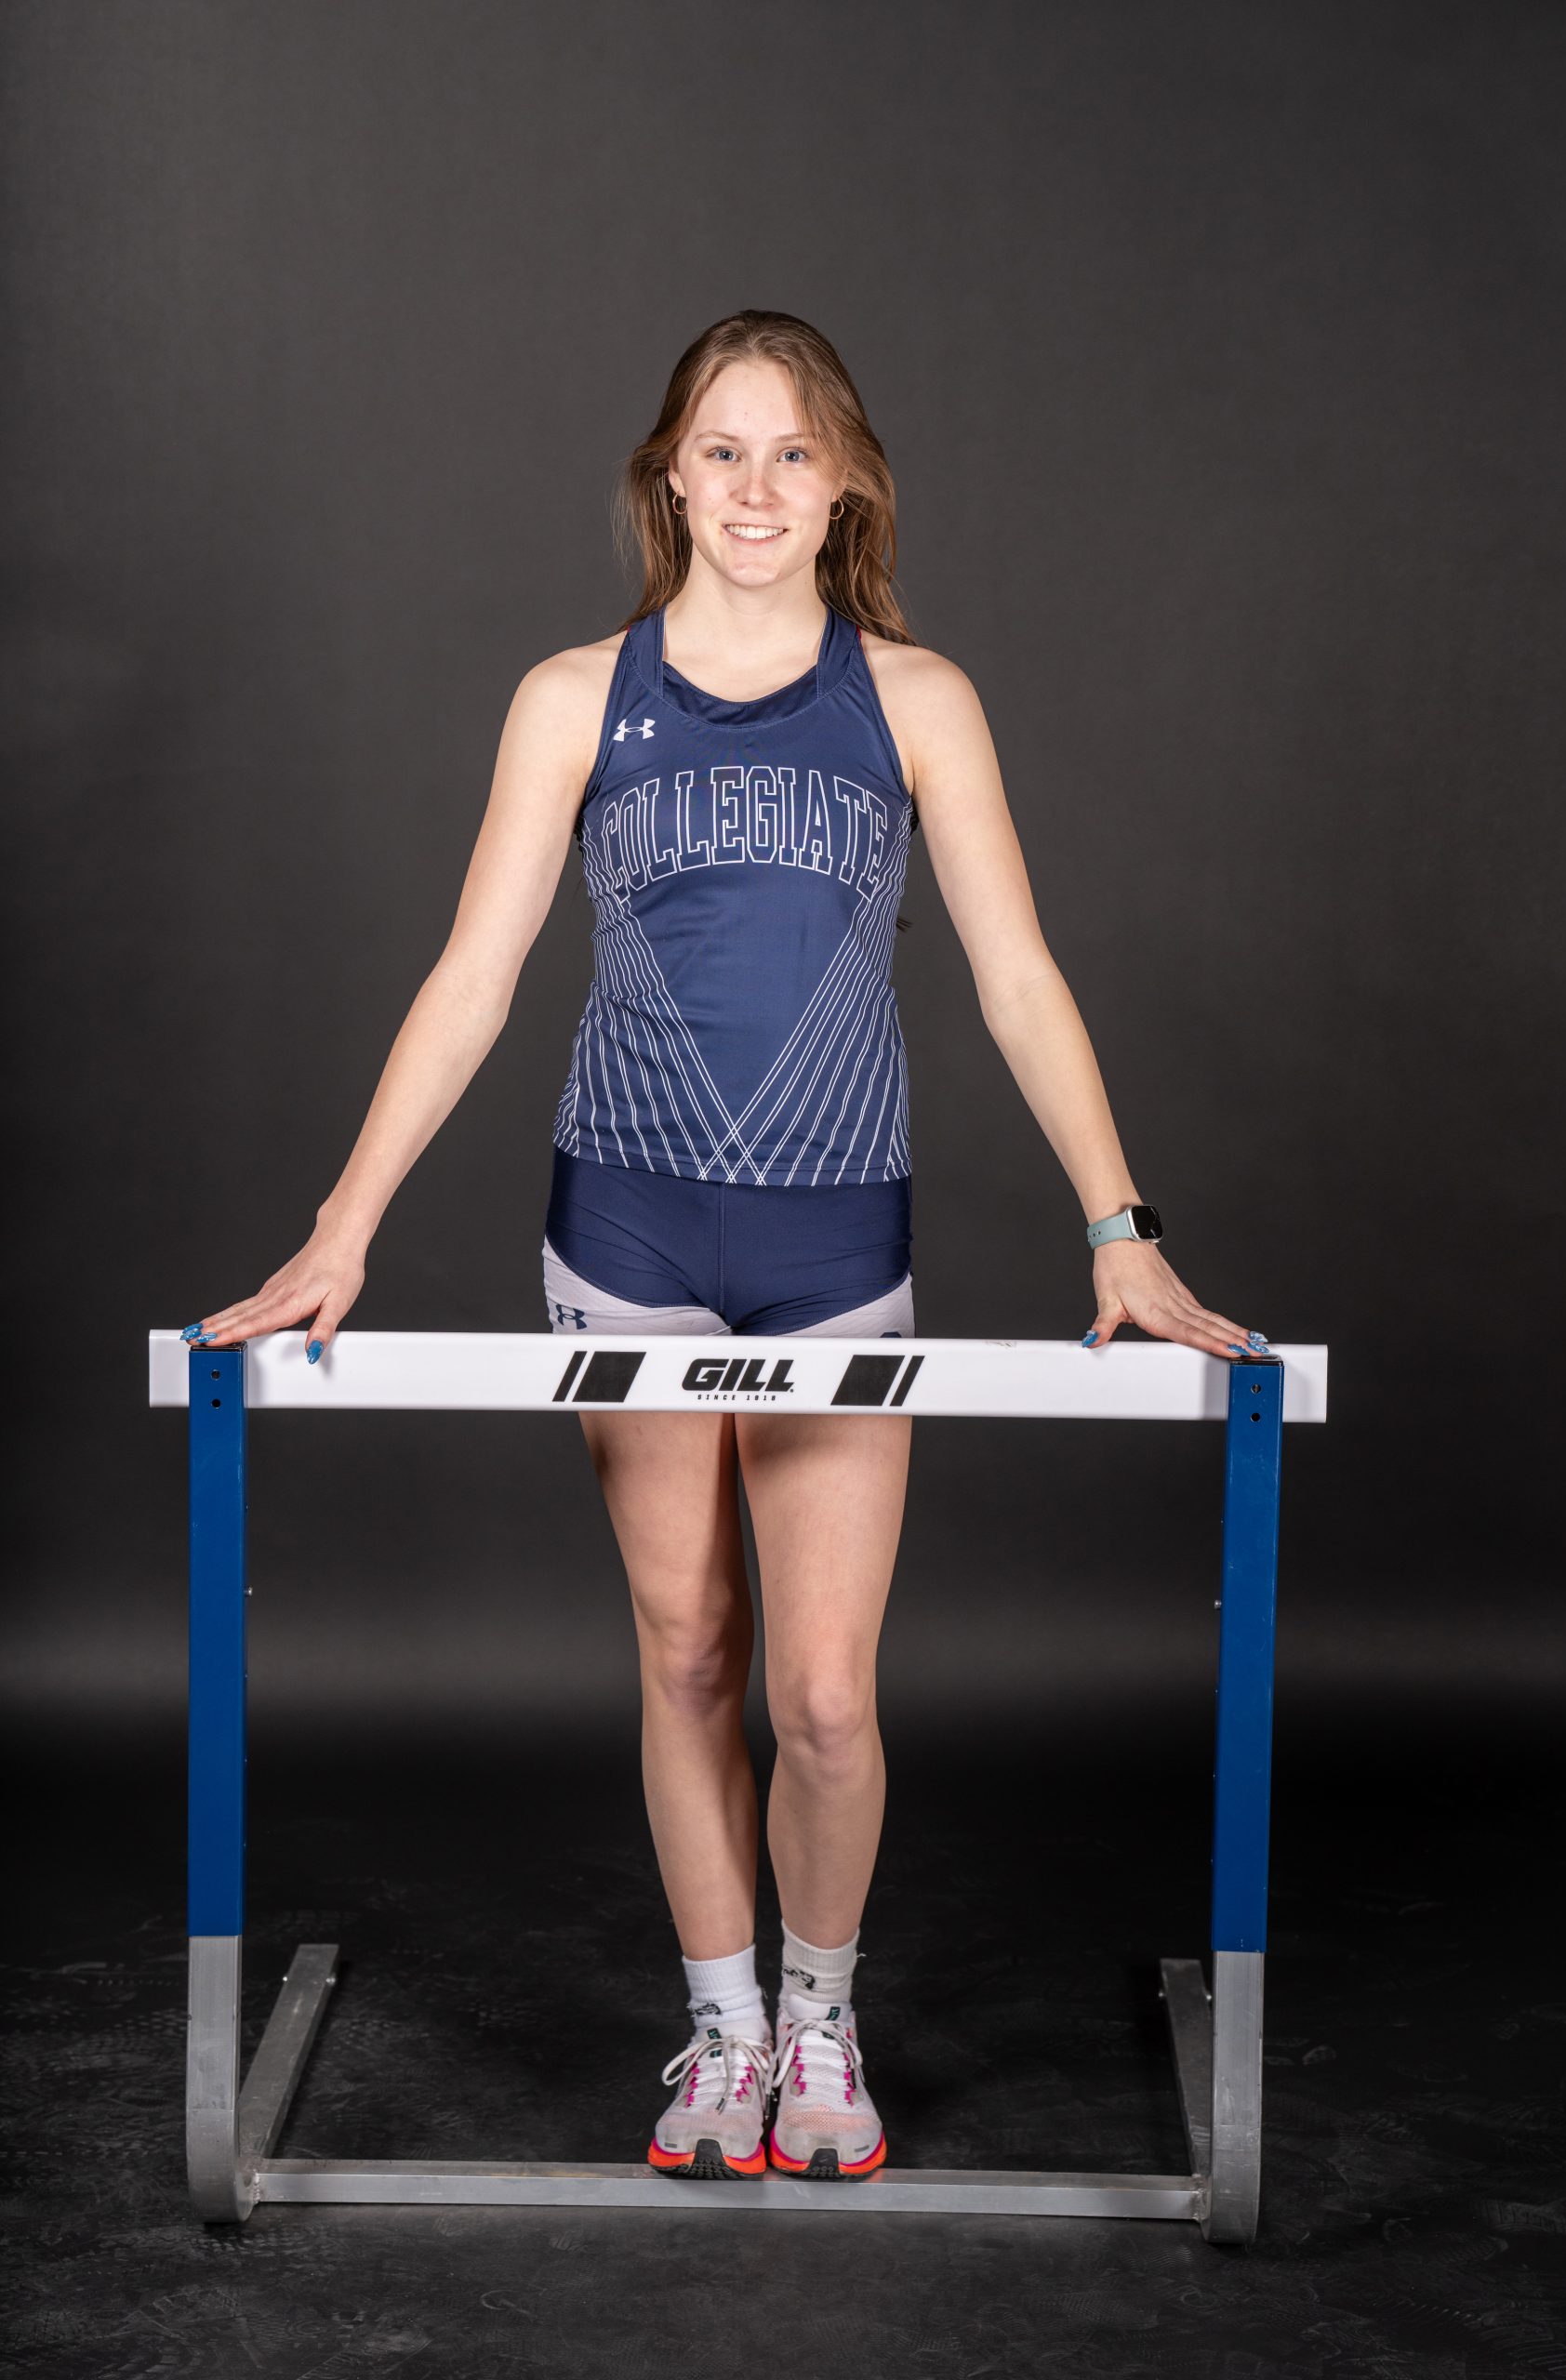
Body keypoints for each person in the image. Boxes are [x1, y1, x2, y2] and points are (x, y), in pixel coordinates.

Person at [181, 309, 1267, 2183]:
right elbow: (472, 979)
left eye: (792, 452)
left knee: (824, 1694)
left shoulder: (913, 700)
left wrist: (1120, 1229)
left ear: (842, 487)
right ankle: (724, 2032)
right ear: (667, 477)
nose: (755, 486)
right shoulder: (571, 698)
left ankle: (821, 2019)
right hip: (626, 1225)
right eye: (721, 449)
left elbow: (1015, 977)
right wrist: (340, 1227)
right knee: (689, 1650)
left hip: (834, 1243)